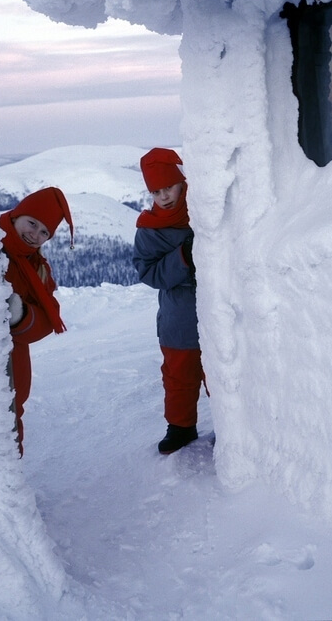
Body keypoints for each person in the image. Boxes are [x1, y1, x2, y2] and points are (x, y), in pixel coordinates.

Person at [132, 148, 206, 454]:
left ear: (182, 183)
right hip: (179, 315)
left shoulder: (204, 210)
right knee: (179, 374)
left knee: (224, 370)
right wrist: (183, 257)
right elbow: (148, 272)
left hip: (220, 306)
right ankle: (181, 427)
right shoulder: (149, 230)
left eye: (169, 187)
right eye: (156, 191)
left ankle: (234, 422)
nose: (163, 196)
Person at [0, 186, 74, 455]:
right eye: (32, 223)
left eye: (44, 232)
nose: (35, 235)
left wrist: (19, 315)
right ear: (16, 215)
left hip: (11, 364)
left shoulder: (37, 267)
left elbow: (48, 316)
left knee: (5, 430)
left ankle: (6, 479)